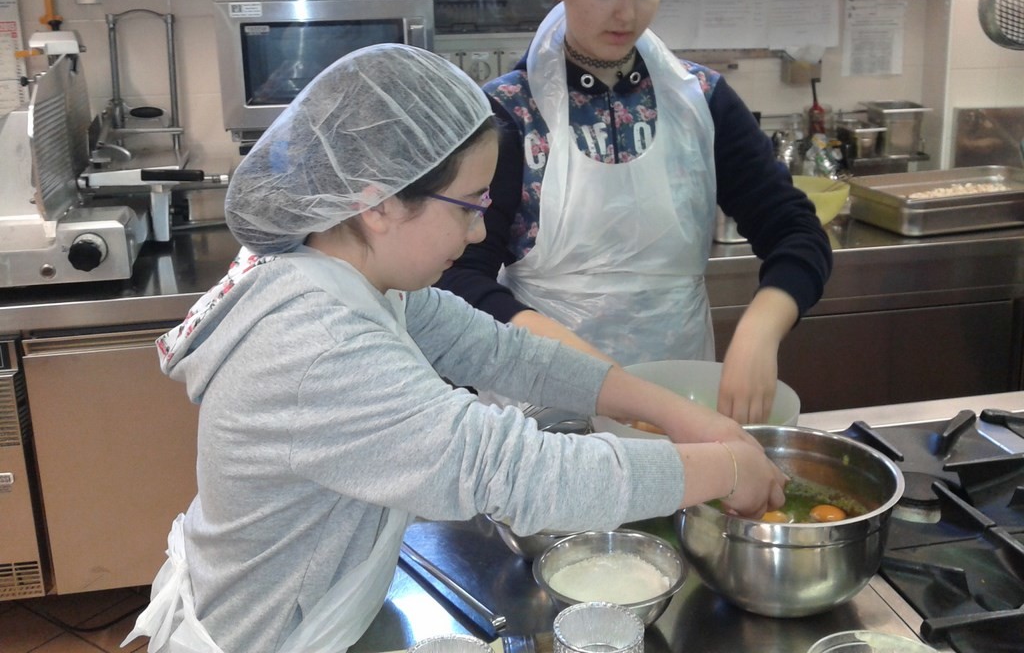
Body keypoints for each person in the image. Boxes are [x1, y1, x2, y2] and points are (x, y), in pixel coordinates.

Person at [122, 43, 787, 653]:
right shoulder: (317, 345)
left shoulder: (357, 279)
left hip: (324, 616)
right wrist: (726, 469)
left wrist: (676, 413)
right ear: (379, 204)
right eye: (468, 204)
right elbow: (520, 473)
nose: (477, 233)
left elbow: (506, 353)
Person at [436, 0, 833, 425]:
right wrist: (596, 375)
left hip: (678, 410)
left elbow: (795, 231)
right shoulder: (509, 114)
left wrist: (760, 330)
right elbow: (458, 278)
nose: (627, 12)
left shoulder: (701, 101)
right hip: (545, 412)